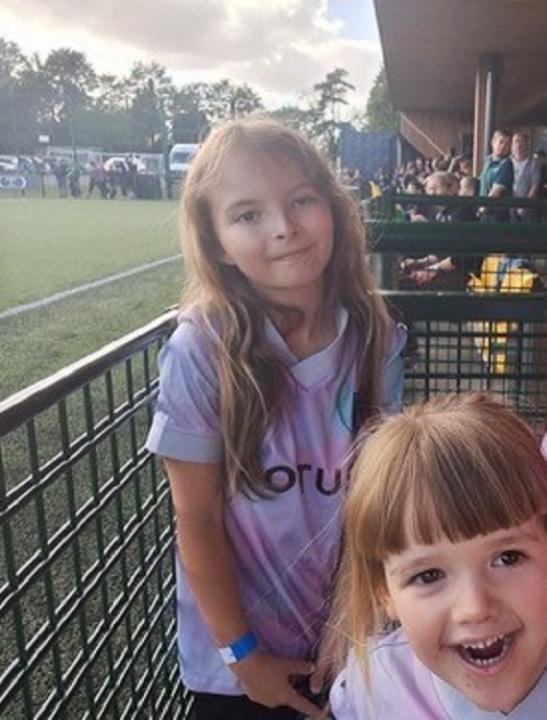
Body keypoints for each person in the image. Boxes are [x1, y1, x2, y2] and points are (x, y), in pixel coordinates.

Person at [144, 118, 406, 720]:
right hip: (237, 674)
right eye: (247, 215)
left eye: (300, 201)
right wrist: (244, 656)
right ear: (216, 244)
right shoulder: (200, 352)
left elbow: (376, 499)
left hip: (347, 650)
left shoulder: (375, 338)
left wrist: (357, 626)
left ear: (333, 209)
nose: (284, 228)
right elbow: (197, 517)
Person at [328, 394, 547, 719]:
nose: (475, 608)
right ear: (383, 591)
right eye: (429, 576)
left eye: (507, 558)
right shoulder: (372, 692)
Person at [479, 128, 514, 221]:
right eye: (501, 142)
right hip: (484, 213)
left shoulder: (507, 164)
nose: (503, 146)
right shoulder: (487, 160)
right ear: (493, 142)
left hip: (497, 215)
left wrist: (481, 210)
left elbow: (496, 191)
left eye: (507, 144)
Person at [510, 131, 542, 221]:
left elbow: (535, 185)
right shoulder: (507, 162)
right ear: (511, 146)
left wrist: (525, 205)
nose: (518, 145)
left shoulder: (533, 163)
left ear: (527, 145)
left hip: (527, 209)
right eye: (516, 142)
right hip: (508, 207)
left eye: (521, 142)